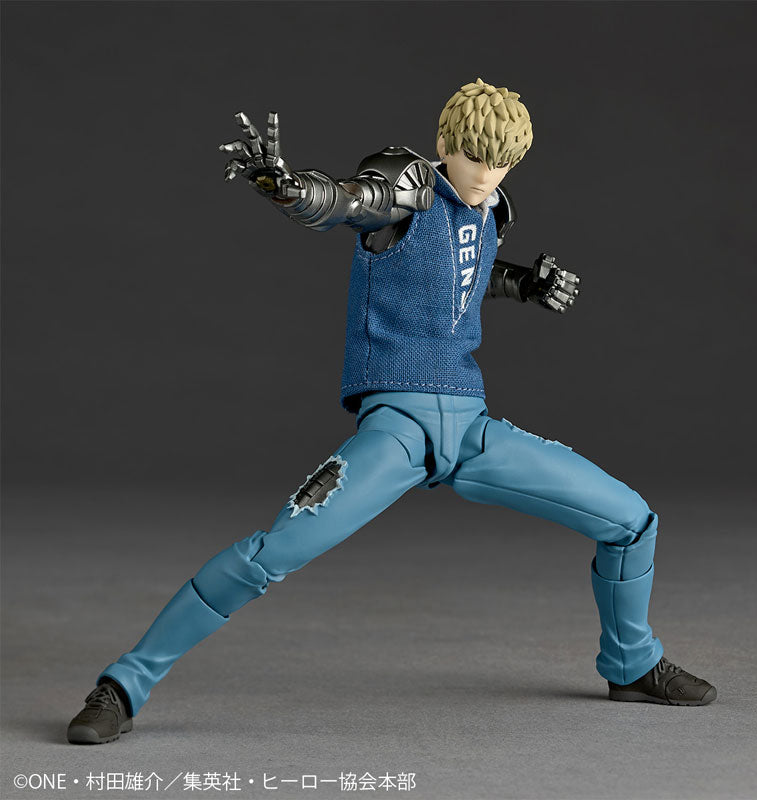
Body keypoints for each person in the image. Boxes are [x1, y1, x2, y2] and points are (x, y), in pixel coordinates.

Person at [67, 78, 715, 745]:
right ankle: (124, 684)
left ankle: (631, 664)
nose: (486, 175)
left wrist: (526, 283)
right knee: (271, 553)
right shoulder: (408, 185)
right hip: (398, 429)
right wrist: (286, 187)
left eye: (502, 163)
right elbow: (346, 202)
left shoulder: (490, 209)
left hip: (471, 429)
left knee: (632, 520)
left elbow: (463, 277)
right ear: (445, 144)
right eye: (475, 158)